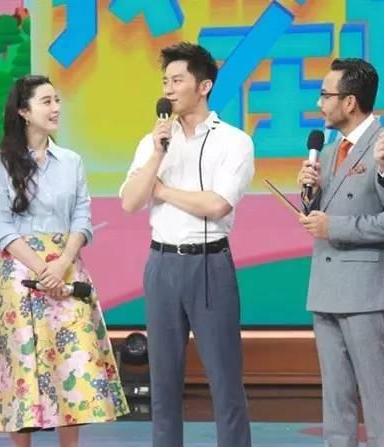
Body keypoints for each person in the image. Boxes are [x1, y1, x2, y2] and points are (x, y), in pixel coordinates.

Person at [0, 75, 129, 447]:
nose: (56, 108)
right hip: (21, 275)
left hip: (67, 272)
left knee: (71, 364)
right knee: (22, 369)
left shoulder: (71, 161)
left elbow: (82, 217)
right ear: (24, 112)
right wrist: (42, 269)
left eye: (57, 100)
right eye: (46, 101)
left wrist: (61, 264)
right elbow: (0, 226)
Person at [120, 42, 254, 447]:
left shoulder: (234, 141)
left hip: (209, 264)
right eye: (165, 81)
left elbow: (217, 204)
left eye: (178, 80)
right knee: (162, 383)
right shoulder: (153, 142)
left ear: (204, 86)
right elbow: (130, 202)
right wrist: (156, 157)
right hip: (161, 264)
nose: (169, 89)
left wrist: (162, 191)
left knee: (225, 381)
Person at [297, 58, 384, 447]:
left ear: (350, 101)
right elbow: (321, 212)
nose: (319, 103)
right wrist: (308, 194)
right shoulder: (326, 151)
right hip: (325, 287)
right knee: (335, 396)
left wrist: (335, 228)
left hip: (363, 292)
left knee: (374, 395)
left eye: (326, 95)